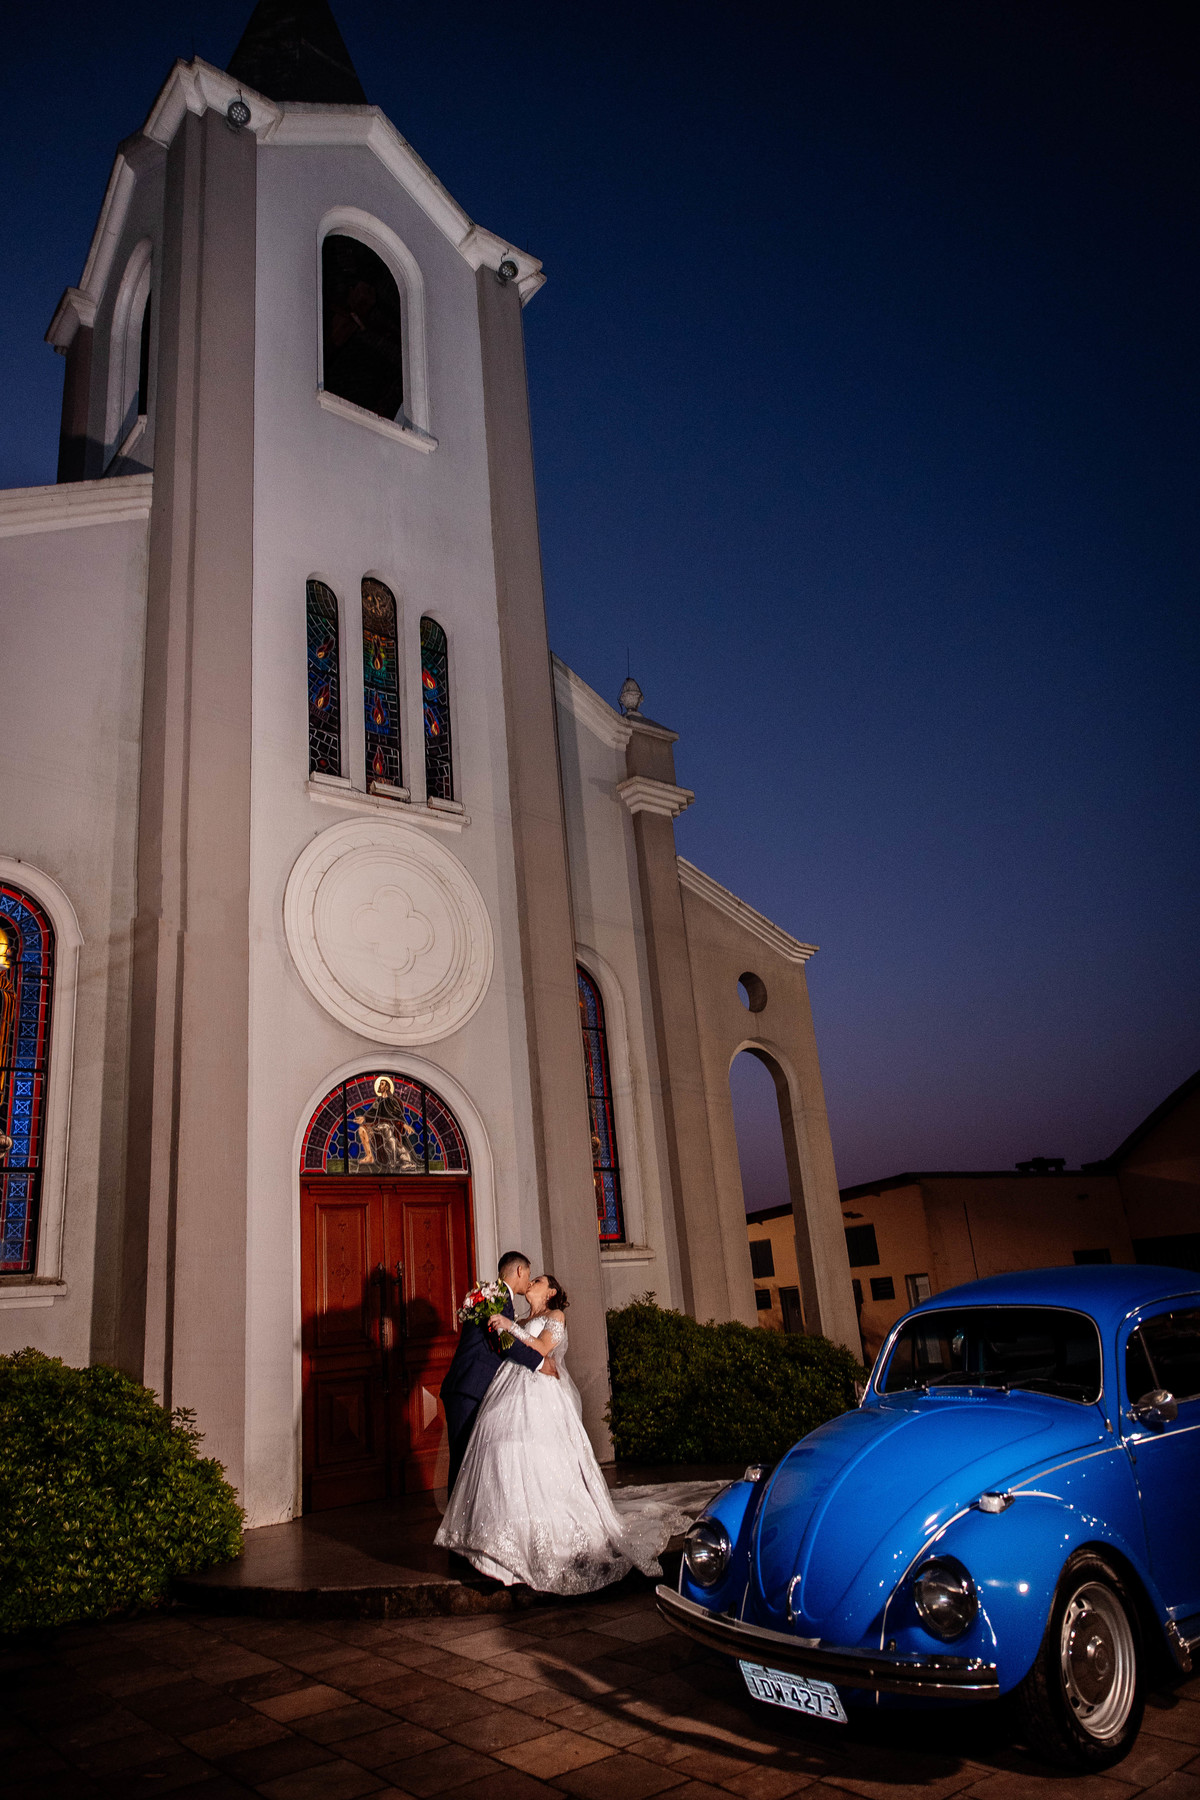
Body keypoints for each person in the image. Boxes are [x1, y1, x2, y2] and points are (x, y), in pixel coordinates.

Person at [435, 1273, 690, 1594]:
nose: (532, 1281)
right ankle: (501, 1532)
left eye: (539, 1279)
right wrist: (506, 1324)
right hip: (509, 1388)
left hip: (540, 1395)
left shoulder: (555, 1316)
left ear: (552, 1290)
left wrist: (508, 1326)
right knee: (502, 1453)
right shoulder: (522, 1316)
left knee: (538, 1456)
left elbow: (542, 1348)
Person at [439, 1250, 559, 1492]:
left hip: (471, 1386)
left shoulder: (491, 1296)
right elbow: (504, 1343)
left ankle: (467, 1521)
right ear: (519, 1271)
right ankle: (458, 1525)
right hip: (469, 1387)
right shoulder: (498, 1299)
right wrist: (539, 1363)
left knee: (470, 1462)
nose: (529, 1281)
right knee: (463, 1461)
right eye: (529, 1275)